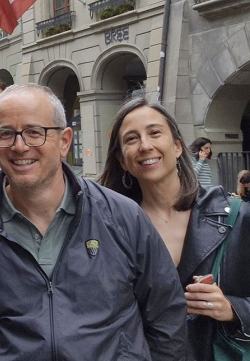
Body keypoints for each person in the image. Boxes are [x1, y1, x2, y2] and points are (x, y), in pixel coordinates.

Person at [0, 84, 187, 361]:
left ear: (64, 141)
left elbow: (167, 316)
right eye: (6, 134)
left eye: (34, 132)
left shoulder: (123, 217)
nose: (20, 146)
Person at [98, 98, 250, 360]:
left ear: (178, 146)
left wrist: (233, 309)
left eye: (155, 133)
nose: (145, 146)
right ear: (122, 160)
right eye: (131, 139)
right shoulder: (107, 228)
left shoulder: (237, 217)